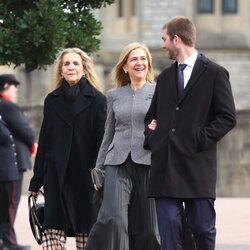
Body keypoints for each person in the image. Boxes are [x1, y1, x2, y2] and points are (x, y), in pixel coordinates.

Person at [143, 16, 237, 250]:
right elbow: (150, 117)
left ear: (176, 39)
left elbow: (227, 117)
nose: (163, 45)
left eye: (164, 39)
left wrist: (198, 139)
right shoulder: (164, 78)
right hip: (165, 168)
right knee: (169, 231)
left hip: (197, 167)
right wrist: (152, 137)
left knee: (202, 230)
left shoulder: (215, 73)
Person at [28, 48, 107, 250]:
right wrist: (37, 180)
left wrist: (99, 177)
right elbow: (44, 141)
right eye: (66, 64)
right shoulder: (51, 100)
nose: (71, 67)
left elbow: (102, 142)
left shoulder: (97, 100)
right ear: (61, 70)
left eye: (75, 63)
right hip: (56, 176)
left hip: (85, 177)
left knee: (87, 236)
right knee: (52, 233)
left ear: (84, 69)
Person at [85, 42, 161, 250]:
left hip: (148, 162)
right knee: (115, 219)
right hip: (117, 163)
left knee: (149, 227)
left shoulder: (159, 91)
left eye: (143, 59)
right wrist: (98, 169)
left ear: (148, 64)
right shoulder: (114, 95)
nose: (139, 63)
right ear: (125, 66)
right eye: (134, 59)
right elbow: (107, 135)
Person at [0, 74, 37, 250]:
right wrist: (32, 144)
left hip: (7, 165)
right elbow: (25, 130)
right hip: (11, 165)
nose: (16, 91)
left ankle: (7, 240)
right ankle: (8, 242)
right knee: (9, 205)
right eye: (15, 87)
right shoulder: (8, 106)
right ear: (7, 85)